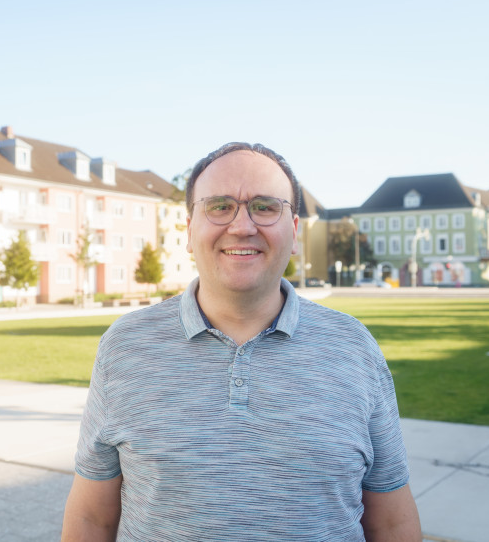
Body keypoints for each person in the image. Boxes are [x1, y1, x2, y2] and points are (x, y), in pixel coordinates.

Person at [62, 142, 421, 541]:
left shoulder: (354, 348)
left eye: (265, 206)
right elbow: (92, 518)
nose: (242, 226)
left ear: (295, 230)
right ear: (188, 229)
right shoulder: (124, 347)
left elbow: (390, 521)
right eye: (219, 206)